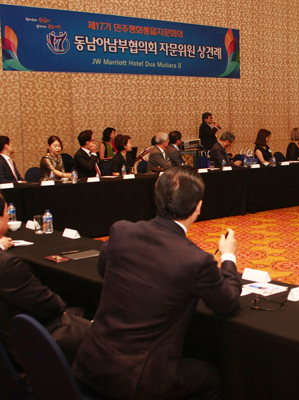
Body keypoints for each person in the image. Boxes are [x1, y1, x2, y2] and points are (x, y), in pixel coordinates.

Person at [72, 167, 242, 400]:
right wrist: (229, 257)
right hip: (140, 378)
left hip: (91, 361)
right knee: (213, 378)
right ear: (198, 207)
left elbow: (104, 269)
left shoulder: (121, 231)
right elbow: (229, 302)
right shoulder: (195, 259)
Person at [0, 193, 90, 368]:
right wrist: (60, 308)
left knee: (80, 310)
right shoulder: (8, 266)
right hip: (31, 352)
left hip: (12, 343)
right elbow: (49, 305)